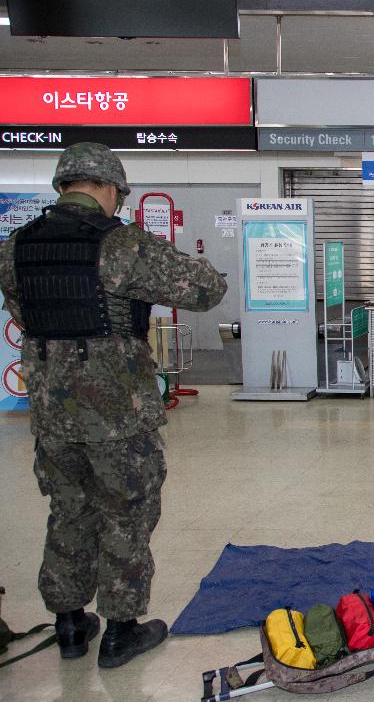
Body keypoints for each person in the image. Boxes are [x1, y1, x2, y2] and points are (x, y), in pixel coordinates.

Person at [0, 143, 228, 669]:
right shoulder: (122, 246)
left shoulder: (17, 247)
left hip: (51, 415)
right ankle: (122, 628)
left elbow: (22, 308)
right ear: (108, 188)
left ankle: (71, 622)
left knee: (68, 509)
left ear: (63, 185)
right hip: (116, 413)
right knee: (125, 513)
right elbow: (205, 289)